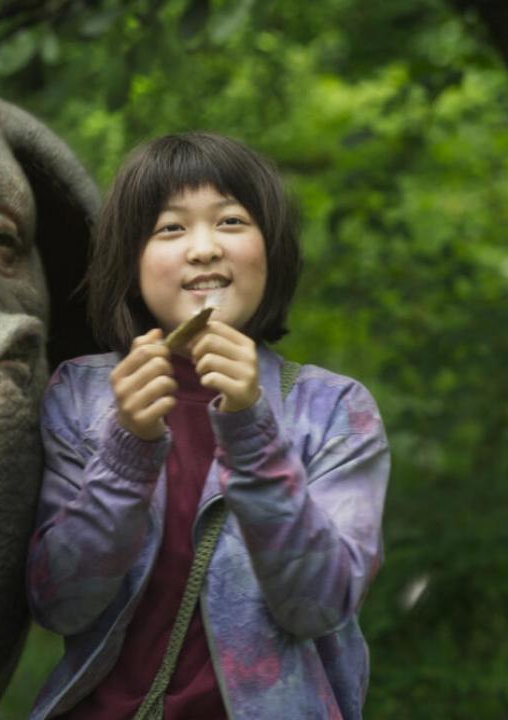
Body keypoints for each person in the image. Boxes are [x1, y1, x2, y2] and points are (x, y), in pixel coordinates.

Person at [25, 132, 389, 719]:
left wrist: (251, 432)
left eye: (231, 222)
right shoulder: (80, 395)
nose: (203, 249)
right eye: (170, 228)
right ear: (131, 259)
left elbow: (319, 605)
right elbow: (59, 605)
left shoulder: (335, 409)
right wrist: (126, 451)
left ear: (270, 250)